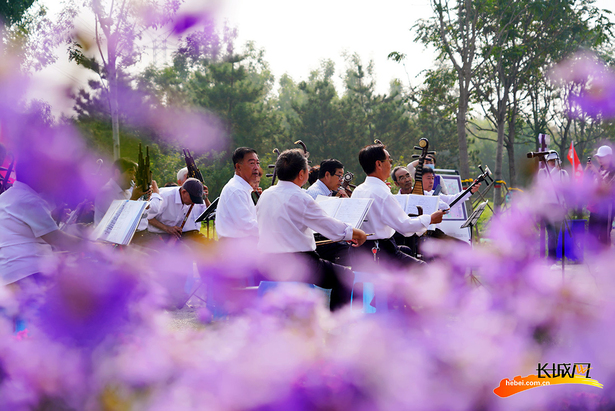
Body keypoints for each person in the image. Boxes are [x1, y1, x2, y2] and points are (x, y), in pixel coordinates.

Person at [256, 149, 367, 310]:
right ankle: (336, 327)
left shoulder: (266, 194)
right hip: (298, 262)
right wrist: (355, 232)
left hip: (267, 261)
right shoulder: (300, 197)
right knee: (346, 277)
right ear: (302, 174)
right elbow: (327, 225)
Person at [351, 144, 444, 267]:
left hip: (360, 252)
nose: (390, 164)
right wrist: (430, 219)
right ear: (379, 164)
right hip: (382, 252)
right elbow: (405, 226)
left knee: (407, 251)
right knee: (425, 269)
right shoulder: (382, 193)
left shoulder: (358, 189)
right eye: (389, 160)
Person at [215, 147, 260, 240]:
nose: (256, 168)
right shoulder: (236, 190)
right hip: (234, 246)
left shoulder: (242, 189)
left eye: (257, 163)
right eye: (252, 163)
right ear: (238, 167)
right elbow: (247, 225)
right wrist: (271, 231)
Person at [94, 158, 151, 225]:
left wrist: (146, 199)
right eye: (130, 173)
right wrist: (134, 199)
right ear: (117, 173)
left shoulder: (127, 193)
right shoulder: (106, 192)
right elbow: (117, 221)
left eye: (134, 174)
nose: (133, 178)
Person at [537, 151, 569, 260]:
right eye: (550, 160)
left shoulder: (563, 173)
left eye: (554, 160)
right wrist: (555, 171)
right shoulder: (542, 172)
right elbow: (544, 186)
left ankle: (554, 258)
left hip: (559, 206)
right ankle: (551, 259)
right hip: (546, 207)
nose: (552, 163)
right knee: (551, 233)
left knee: (556, 234)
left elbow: (566, 189)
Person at [586, 145, 615, 247]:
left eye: (602, 157)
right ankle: (596, 260)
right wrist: (587, 170)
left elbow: (607, 188)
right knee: (592, 234)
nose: (600, 159)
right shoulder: (597, 170)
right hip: (595, 207)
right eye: (599, 157)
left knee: (604, 235)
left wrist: (595, 172)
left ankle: (607, 260)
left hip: (607, 207)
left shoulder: (613, 172)